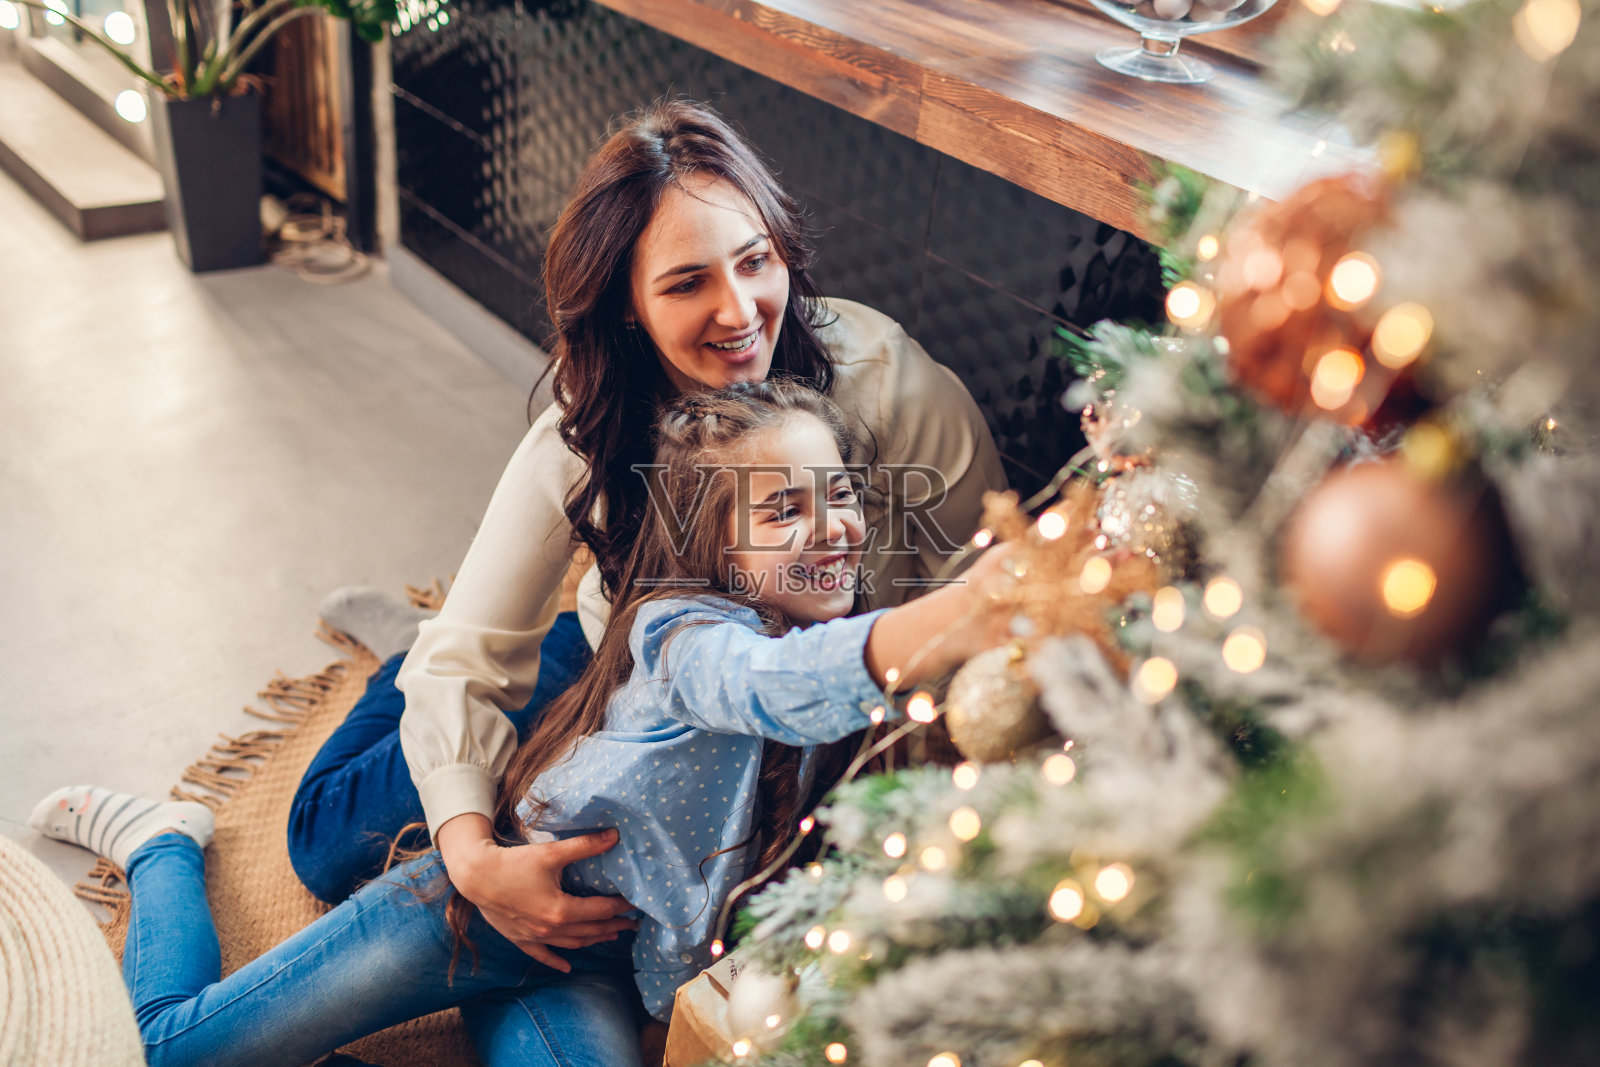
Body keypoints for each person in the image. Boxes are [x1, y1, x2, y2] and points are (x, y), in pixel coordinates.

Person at [30, 381, 1013, 1067]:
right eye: (784, 507)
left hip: (588, 961)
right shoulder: (688, 634)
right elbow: (774, 681)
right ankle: (163, 843)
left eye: (839, 491)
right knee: (162, 1048)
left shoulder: (810, 654)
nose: (833, 523)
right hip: (474, 909)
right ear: (714, 546)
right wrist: (979, 602)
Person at [285, 96, 1007, 967]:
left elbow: (989, 585)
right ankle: (403, 655)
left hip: (817, 697)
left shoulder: (887, 380)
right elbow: (471, 660)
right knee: (327, 846)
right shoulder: (583, 425)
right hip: (628, 668)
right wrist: (474, 863)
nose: (740, 310)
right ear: (627, 304)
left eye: (755, 261)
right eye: (687, 282)